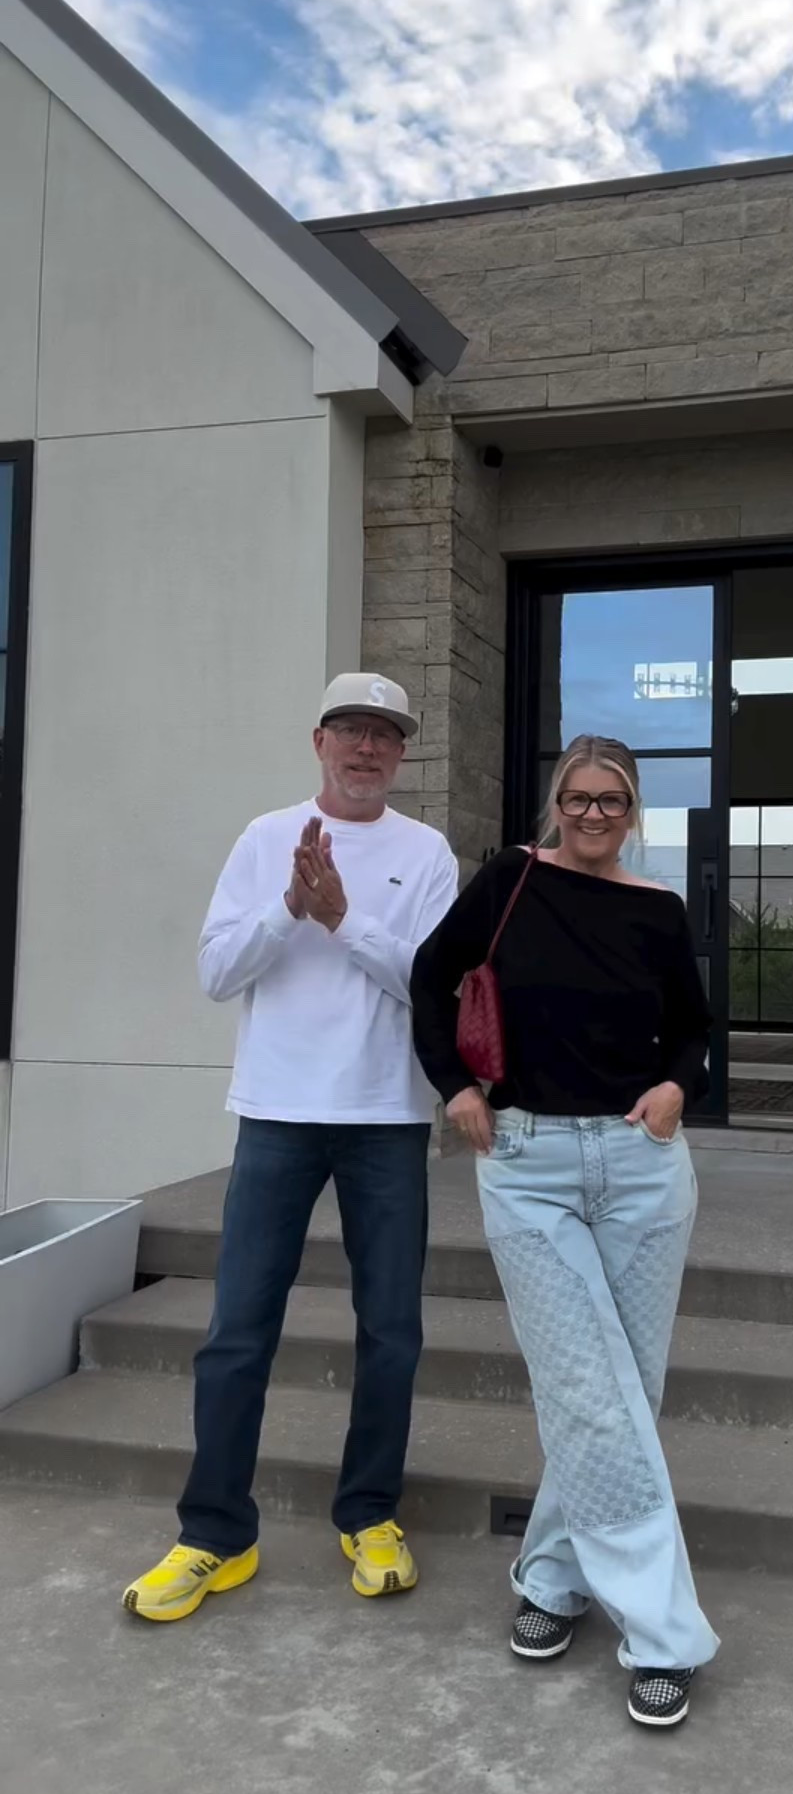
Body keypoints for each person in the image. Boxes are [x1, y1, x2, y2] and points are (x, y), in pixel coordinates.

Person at [123, 674, 458, 1622]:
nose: (367, 748)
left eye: (385, 734)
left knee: (391, 1330)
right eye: (350, 730)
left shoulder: (426, 852)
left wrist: (343, 917)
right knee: (238, 1331)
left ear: (402, 752)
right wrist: (288, 907)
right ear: (319, 741)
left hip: (386, 1118)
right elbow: (216, 972)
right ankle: (215, 1533)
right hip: (275, 1113)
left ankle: (371, 1514)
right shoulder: (265, 837)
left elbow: (433, 986)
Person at [409, 733, 719, 1729]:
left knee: (625, 1389)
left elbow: (693, 1028)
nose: (593, 815)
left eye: (611, 801)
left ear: (633, 809)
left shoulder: (657, 908)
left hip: (641, 1163)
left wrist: (676, 1087)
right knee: (588, 1387)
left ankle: (550, 1575)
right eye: (579, 798)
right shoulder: (511, 879)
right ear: (556, 802)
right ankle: (663, 1632)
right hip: (529, 1163)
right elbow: (429, 979)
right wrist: (455, 1086)